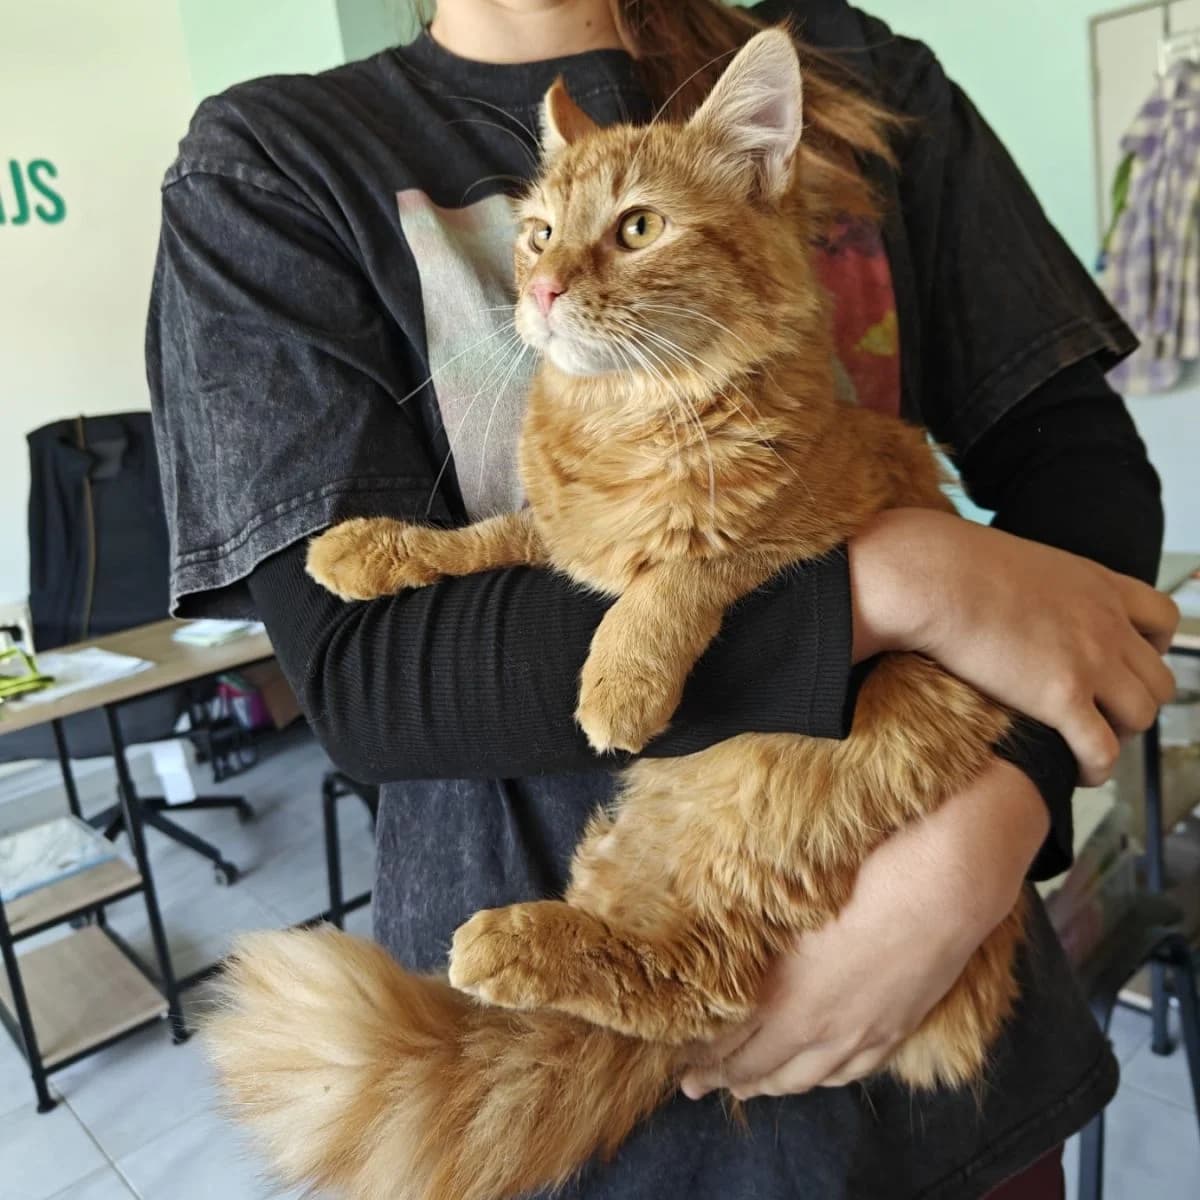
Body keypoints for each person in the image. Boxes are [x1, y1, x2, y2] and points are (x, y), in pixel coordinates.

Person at [147, 1, 1180, 1196]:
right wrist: (900, 581)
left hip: (941, 1043)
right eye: (544, 239)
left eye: (633, 230)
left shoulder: (857, 67)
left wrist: (982, 843)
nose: (558, 276)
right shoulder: (270, 161)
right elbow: (370, 678)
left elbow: (1088, 486)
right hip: (587, 1083)